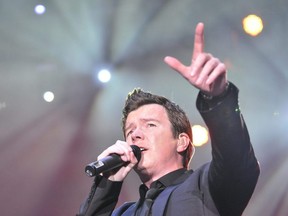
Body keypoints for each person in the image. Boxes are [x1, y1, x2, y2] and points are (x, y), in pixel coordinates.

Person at [78, 22, 260, 216]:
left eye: (150, 125)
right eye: (130, 131)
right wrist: (107, 183)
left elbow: (237, 161)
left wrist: (218, 98)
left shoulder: (205, 188)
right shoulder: (124, 213)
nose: (135, 135)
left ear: (181, 141)